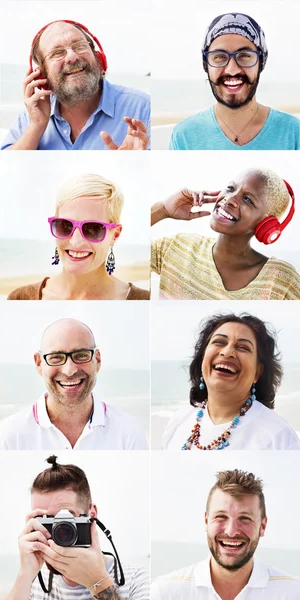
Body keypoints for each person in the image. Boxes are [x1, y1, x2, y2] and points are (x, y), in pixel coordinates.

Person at [8, 455, 149, 600]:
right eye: (46, 520)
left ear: (91, 515)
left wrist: (97, 581)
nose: (58, 533)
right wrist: (25, 573)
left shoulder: (136, 580)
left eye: (67, 519)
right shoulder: (32, 585)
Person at [151, 168, 300, 299]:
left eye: (247, 199)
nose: (229, 199)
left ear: (267, 225)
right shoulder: (178, 246)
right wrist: (162, 210)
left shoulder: (281, 280)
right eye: (230, 188)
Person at [2, 20, 150, 150]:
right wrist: (36, 126)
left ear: (98, 57)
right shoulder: (31, 116)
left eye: (79, 46)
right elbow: (5, 170)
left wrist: (133, 163)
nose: (72, 57)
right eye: (57, 53)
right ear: (42, 73)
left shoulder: (142, 107)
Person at [152, 469, 300, 598]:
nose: (231, 531)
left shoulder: (293, 592)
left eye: (245, 518)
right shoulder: (165, 592)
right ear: (206, 521)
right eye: (221, 517)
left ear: (263, 526)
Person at [3, 318, 147, 450]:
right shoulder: (9, 435)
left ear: (97, 360)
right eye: (56, 357)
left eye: (81, 355)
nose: (70, 370)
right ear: (39, 363)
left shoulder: (129, 432)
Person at [162, 313, 300, 451]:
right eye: (219, 342)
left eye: (243, 347)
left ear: (257, 372)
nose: (227, 352)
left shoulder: (279, 436)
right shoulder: (179, 420)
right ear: (203, 358)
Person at [170, 13, 300, 150]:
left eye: (244, 56)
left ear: (261, 63)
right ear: (206, 65)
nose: (232, 70)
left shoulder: (293, 133)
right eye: (219, 56)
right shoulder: (184, 136)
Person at [8, 174, 149, 300]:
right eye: (65, 226)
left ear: (115, 235)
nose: (75, 241)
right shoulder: (19, 298)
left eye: (93, 229)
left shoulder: (143, 300)